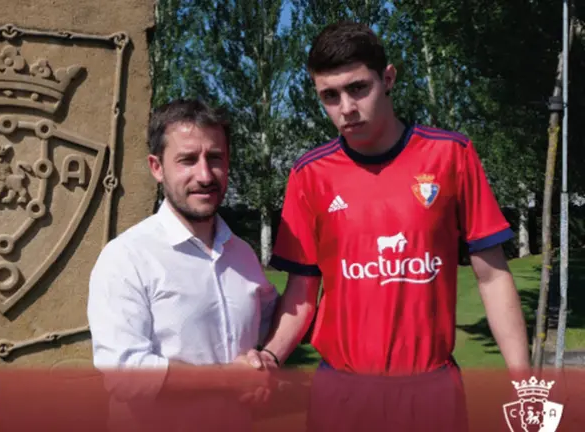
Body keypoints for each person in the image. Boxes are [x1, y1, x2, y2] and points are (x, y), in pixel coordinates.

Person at [254, 21, 531, 431]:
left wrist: (522, 382)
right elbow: (302, 291)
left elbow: (491, 277)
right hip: (341, 392)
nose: (345, 107)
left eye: (357, 88)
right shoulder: (309, 175)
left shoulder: (451, 155)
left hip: (431, 390)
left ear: (387, 79)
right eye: (329, 96)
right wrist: (271, 356)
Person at [87, 99, 279, 431]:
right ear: (156, 167)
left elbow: (273, 320)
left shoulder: (243, 255)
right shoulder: (126, 258)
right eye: (187, 160)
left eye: (215, 158)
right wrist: (228, 379)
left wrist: (263, 364)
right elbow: (126, 372)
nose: (204, 175)